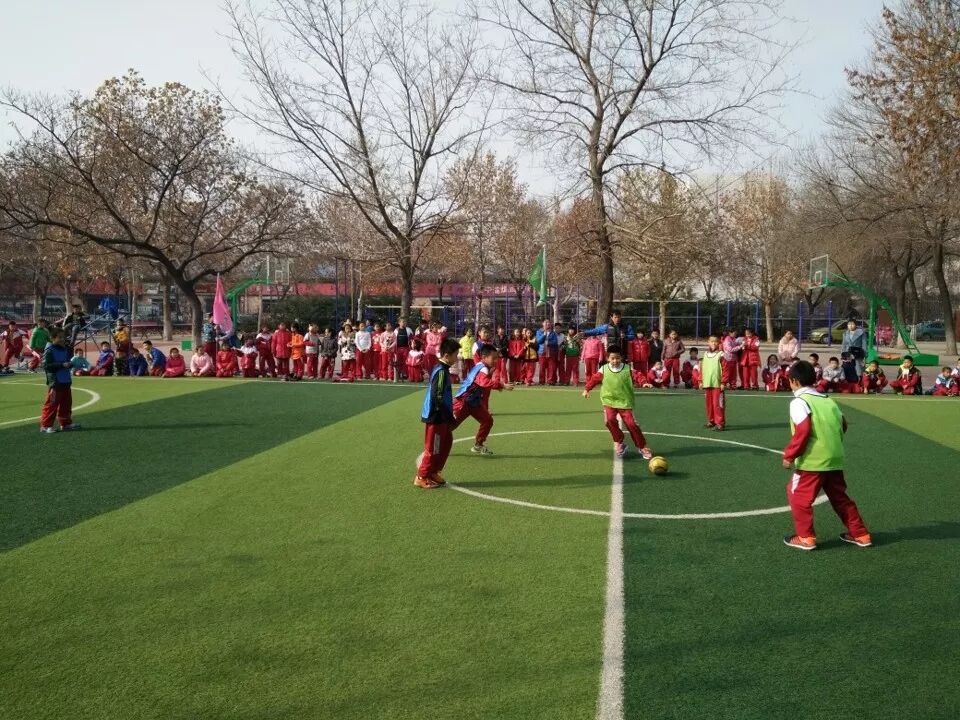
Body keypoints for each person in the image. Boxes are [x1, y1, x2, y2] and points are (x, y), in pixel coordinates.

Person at [781, 360, 871, 551]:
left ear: (795, 381)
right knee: (840, 497)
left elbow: (803, 431)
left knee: (797, 495)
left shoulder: (799, 402)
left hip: (813, 460)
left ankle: (806, 537)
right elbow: (843, 424)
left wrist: (789, 454)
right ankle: (860, 534)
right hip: (835, 457)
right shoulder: (828, 400)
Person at [583, 345, 654, 459]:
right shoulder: (603, 369)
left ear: (621, 358)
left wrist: (644, 382)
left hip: (624, 401)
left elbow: (638, 375)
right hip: (609, 400)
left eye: (617, 358)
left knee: (631, 424)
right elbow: (594, 379)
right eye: (612, 358)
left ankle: (642, 447)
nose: (615, 361)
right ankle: (619, 442)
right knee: (609, 420)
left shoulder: (627, 369)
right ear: (608, 358)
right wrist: (587, 389)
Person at [414, 338, 461, 489]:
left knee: (446, 442)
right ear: (447, 355)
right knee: (434, 447)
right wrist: (448, 415)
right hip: (437, 416)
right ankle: (422, 476)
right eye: (456, 354)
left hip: (443, 415)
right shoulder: (441, 371)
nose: (457, 357)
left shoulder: (443, 369)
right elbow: (437, 396)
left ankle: (433, 471)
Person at [453, 344, 514, 455]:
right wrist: (502, 385)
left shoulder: (482, 366)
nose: (496, 361)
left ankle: (478, 445)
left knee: (487, 420)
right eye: (493, 358)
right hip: (463, 401)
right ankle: (434, 447)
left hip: (474, 402)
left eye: (497, 358)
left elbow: (483, 385)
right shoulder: (483, 368)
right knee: (450, 426)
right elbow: (484, 382)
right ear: (484, 357)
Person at [39, 328, 81, 434]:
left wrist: (70, 364)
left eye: (63, 337)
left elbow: (67, 361)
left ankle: (65, 424)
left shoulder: (64, 349)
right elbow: (46, 365)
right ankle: (45, 426)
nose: (62, 339)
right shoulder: (49, 350)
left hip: (66, 381)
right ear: (52, 338)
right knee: (51, 405)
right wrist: (62, 365)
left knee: (66, 404)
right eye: (59, 337)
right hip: (56, 382)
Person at [702, 335, 725, 430]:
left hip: (717, 384)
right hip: (707, 383)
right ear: (708, 342)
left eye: (716, 341)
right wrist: (700, 380)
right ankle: (711, 421)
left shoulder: (721, 354)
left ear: (719, 343)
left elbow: (725, 369)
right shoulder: (705, 354)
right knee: (709, 404)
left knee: (717, 404)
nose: (713, 343)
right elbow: (702, 368)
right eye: (711, 341)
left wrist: (723, 382)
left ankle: (719, 423)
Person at [535, 320, 561, 385]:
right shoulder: (539, 332)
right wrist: (544, 335)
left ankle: (550, 381)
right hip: (542, 352)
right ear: (543, 324)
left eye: (548, 322)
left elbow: (555, 342)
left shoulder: (553, 333)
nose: (547, 324)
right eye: (546, 322)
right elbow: (539, 341)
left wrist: (548, 343)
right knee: (542, 367)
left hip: (551, 353)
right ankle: (541, 381)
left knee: (551, 367)